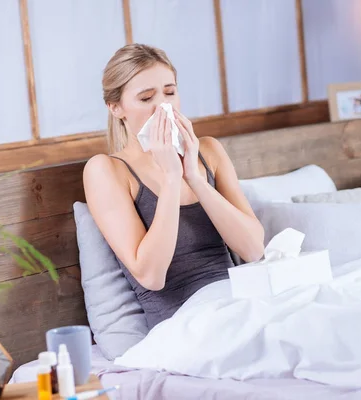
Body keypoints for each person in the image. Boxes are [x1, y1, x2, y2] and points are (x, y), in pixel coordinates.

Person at [83, 44, 265, 329]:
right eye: (146, 98)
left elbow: (254, 250)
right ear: (116, 107)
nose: (163, 107)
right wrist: (170, 178)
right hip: (184, 325)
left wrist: (194, 177)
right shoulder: (107, 170)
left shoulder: (209, 151)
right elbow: (151, 275)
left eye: (169, 92)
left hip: (240, 304)